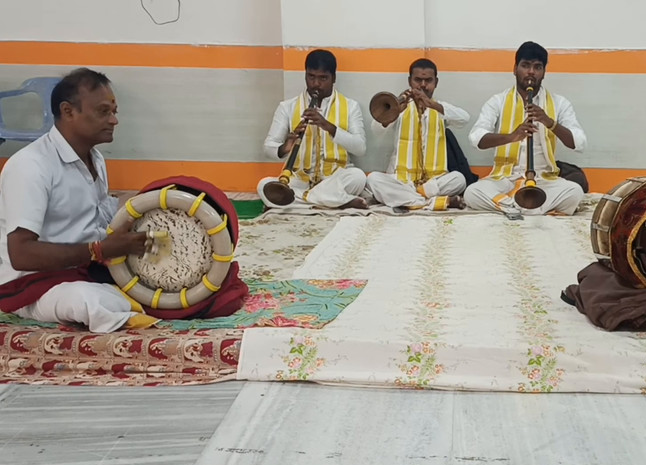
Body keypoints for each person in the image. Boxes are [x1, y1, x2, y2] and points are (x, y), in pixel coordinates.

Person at [0, 68, 215, 333]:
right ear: (68, 112)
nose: (114, 120)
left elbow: (100, 222)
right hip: (33, 283)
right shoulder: (30, 166)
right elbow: (20, 255)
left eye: (114, 112)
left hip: (87, 267)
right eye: (103, 112)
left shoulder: (95, 159)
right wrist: (99, 251)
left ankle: (125, 299)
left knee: (198, 280)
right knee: (90, 302)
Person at [466, 41, 588, 216]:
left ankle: (513, 207)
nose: (531, 72)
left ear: (544, 73)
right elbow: (476, 138)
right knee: (472, 193)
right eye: (525, 66)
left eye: (537, 67)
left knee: (574, 192)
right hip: (505, 178)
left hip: (543, 178)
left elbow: (579, 143)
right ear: (515, 69)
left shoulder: (559, 103)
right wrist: (512, 136)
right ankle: (527, 208)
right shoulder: (498, 101)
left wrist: (549, 122)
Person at [258, 49, 369, 210]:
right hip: (300, 180)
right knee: (264, 185)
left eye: (323, 78)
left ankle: (299, 202)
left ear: (333, 78)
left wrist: (329, 127)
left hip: (335, 178)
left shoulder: (351, 107)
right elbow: (268, 147)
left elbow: (360, 148)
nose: (316, 84)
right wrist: (285, 147)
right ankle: (338, 201)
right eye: (311, 77)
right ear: (305, 75)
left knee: (359, 177)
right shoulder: (287, 107)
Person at [367, 58, 470, 211]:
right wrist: (395, 112)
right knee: (373, 179)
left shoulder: (440, 108)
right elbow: (376, 130)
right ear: (410, 81)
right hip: (401, 180)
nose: (423, 85)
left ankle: (409, 199)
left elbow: (464, 119)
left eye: (428, 80)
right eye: (418, 80)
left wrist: (432, 105)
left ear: (436, 82)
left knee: (459, 179)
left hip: (433, 182)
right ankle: (433, 202)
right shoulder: (399, 108)